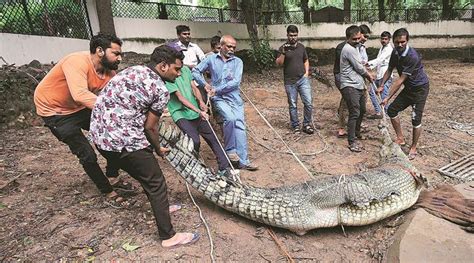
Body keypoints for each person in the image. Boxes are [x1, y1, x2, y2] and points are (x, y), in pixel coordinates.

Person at [89, 45, 200, 248]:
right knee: (156, 182)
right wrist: (158, 149)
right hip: (124, 142)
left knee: (146, 176)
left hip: (100, 139)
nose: (179, 73)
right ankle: (168, 236)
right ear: (163, 66)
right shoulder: (160, 90)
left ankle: (162, 207)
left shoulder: (133, 70)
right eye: (176, 69)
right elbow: (150, 128)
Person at [34, 33, 123, 199]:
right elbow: (80, 94)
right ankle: (107, 191)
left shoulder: (109, 73)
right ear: (100, 51)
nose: (120, 58)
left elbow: (119, 95)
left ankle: (112, 175)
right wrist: (114, 111)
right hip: (55, 112)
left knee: (113, 135)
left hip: (78, 107)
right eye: (116, 53)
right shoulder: (76, 61)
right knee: (87, 153)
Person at [192, 35, 258, 171]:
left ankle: (244, 161)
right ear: (221, 46)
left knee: (240, 126)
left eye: (234, 47)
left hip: (234, 97)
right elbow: (196, 71)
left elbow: (235, 82)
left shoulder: (238, 61)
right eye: (229, 46)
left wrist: (216, 89)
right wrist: (204, 84)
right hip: (218, 98)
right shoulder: (210, 59)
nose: (232, 49)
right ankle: (230, 151)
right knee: (230, 118)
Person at [165, 43, 231, 177]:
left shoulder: (185, 70)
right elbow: (180, 98)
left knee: (213, 138)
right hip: (181, 113)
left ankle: (225, 168)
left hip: (195, 111)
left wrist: (201, 102)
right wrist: (199, 110)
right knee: (194, 140)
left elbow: (194, 88)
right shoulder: (167, 76)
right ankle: (193, 166)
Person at [379, 28, 429, 160]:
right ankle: (400, 138)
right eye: (397, 42)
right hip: (409, 89)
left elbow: (400, 80)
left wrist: (387, 97)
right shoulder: (395, 52)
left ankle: (413, 147)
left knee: (415, 120)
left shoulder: (412, 56)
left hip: (419, 89)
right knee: (392, 110)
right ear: (393, 41)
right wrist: (381, 84)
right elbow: (390, 69)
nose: (400, 45)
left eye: (403, 42)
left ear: (407, 41)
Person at [340, 25, 375, 152]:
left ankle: (357, 132)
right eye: (354, 39)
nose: (357, 41)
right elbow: (359, 68)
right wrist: (369, 75)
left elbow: (361, 64)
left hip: (359, 84)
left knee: (362, 110)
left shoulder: (357, 48)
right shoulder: (348, 49)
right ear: (347, 38)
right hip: (350, 85)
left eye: (358, 38)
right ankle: (352, 141)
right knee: (354, 112)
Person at [275, 25, 314, 134]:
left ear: (297, 35)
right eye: (291, 35)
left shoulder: (301, 47)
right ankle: (295, 125)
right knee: (293, 104)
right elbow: (278, 64)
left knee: (308, 103)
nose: (293, 37)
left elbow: (306, 60)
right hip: (289, 81)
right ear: (287, 35)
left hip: (303, 79)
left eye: (295, 35)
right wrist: (283, 52)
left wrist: (306, 72)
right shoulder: (283, 48)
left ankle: (306, 124)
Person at [367, 31, 394, 119]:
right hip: (380, 73)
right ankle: (379, 112)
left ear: (389, 40)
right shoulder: (382, 48)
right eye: (382, 39)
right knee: (372, 92)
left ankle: (385, 114)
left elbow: (380, 60)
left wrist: (368, 64)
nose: (383, 40)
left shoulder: (389, 49)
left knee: (383, 95)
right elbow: (379, 60)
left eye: (386, 39)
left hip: (386, 74)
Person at [333, 40, 348, 138]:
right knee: (346, 99)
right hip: (342, 76)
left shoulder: (360, 47)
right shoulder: (341, 47)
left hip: (353, 78)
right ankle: (342, 128)